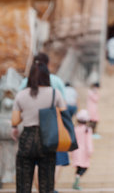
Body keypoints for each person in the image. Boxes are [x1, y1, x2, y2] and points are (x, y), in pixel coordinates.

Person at [11, 59, 66, 193]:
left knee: (23, 184)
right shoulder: (54, 93)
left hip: (27, 139)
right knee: (46, 184)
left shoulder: (21, 95)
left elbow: (15, 121)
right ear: (47, 76)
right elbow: (64, 114)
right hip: (48, 140)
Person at [71, 109, 93, 191]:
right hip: (84, 152)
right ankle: (77, 180)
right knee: (84, 167)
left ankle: (77, 179)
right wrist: (90, 151)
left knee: (79, 167)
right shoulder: (87, 130)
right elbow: (89, 142)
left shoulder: (75, 129)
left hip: (76, 150)